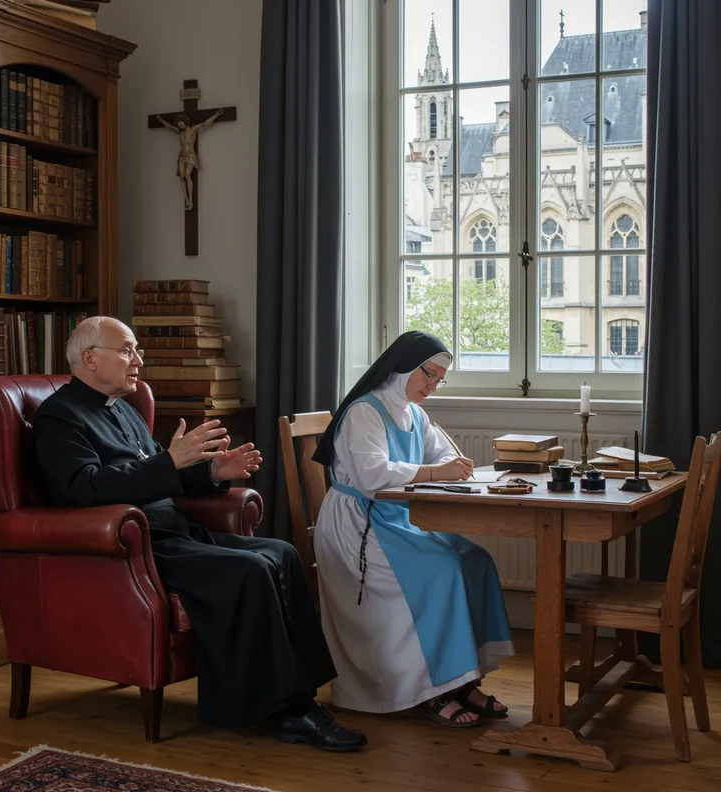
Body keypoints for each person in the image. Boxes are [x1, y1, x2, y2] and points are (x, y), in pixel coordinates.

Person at [32, 316, 366, 752]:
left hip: (176, 531)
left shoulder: (126, 410)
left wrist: (210, 472)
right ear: (91, 359)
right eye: (128, 350)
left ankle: (303, 696)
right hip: (134, 546)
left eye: (137, 351)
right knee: (249, 568)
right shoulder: (59, 416)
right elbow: (83, 489)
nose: (139, 360)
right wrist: (169, 462)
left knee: (281, 553)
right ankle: (289, 713)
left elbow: (160, 477)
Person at [312, 331, 514, 728]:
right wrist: (437, 471)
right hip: (359, 525)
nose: (432, 386)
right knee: (443, 570)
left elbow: (441, 453)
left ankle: (461, 680)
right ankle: (433, 689)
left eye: (440, 379)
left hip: (398, 519)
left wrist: (457, 464)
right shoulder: (363, 412)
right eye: (430, 375)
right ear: (403, 364)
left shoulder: (413, 413)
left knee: (475, 559)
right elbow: (372, 475)